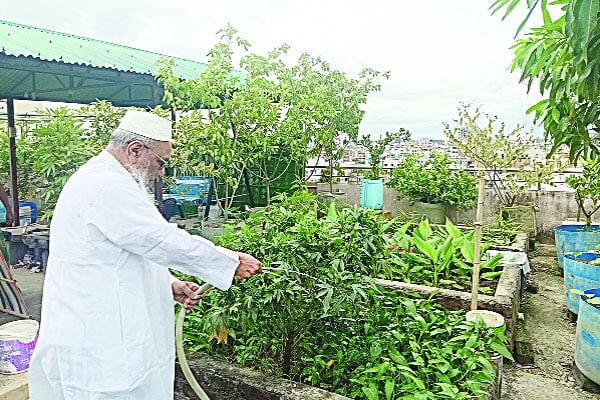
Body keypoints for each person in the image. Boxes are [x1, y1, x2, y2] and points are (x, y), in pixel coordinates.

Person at [28, 110, 262, 399]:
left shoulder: (113, 180)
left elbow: (130, 248)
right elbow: (160, 240)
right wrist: (229, 261)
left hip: (116, 334)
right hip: (101, 344)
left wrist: (169, 284)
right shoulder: (105, 185)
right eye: (161, 163)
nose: (162, 172)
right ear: (135, 150)